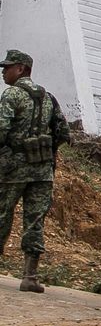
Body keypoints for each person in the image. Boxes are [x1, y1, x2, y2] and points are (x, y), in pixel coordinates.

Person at [0, 50, 71, 293]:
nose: (3, 71)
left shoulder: (12, 95)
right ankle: (30, 276)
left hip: (12, 171)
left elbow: (1, 129)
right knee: (35, 221)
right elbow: (63, 132)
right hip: (42, 171)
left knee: (2, 215)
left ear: (21, 69)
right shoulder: (48, 97)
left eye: (8, 67)